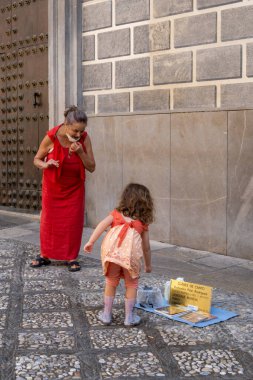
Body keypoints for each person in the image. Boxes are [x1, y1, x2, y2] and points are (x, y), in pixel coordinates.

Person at [30, 105, 95, 271]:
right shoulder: (52, 137)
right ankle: (44, 255)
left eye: (81, 131)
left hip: (74, 189)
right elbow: (36, 159)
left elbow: (92, 167)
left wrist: (81, 152)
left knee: (73, 223)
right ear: (66, 124)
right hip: (53, 189)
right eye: (75, 131)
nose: (78, 135)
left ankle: (72, 257)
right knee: (48, 222)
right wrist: (46, 164)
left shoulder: (84, 139)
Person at [84, 183, 154, 326]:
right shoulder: (142, 223)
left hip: (113, 255)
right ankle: (129, 318)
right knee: (132, 284)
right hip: (131, 258)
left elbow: (101, 226)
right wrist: (148, 265)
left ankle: (106, 315)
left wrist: (90, 242)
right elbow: (146, 247)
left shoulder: (115, 214)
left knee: (111, 282)